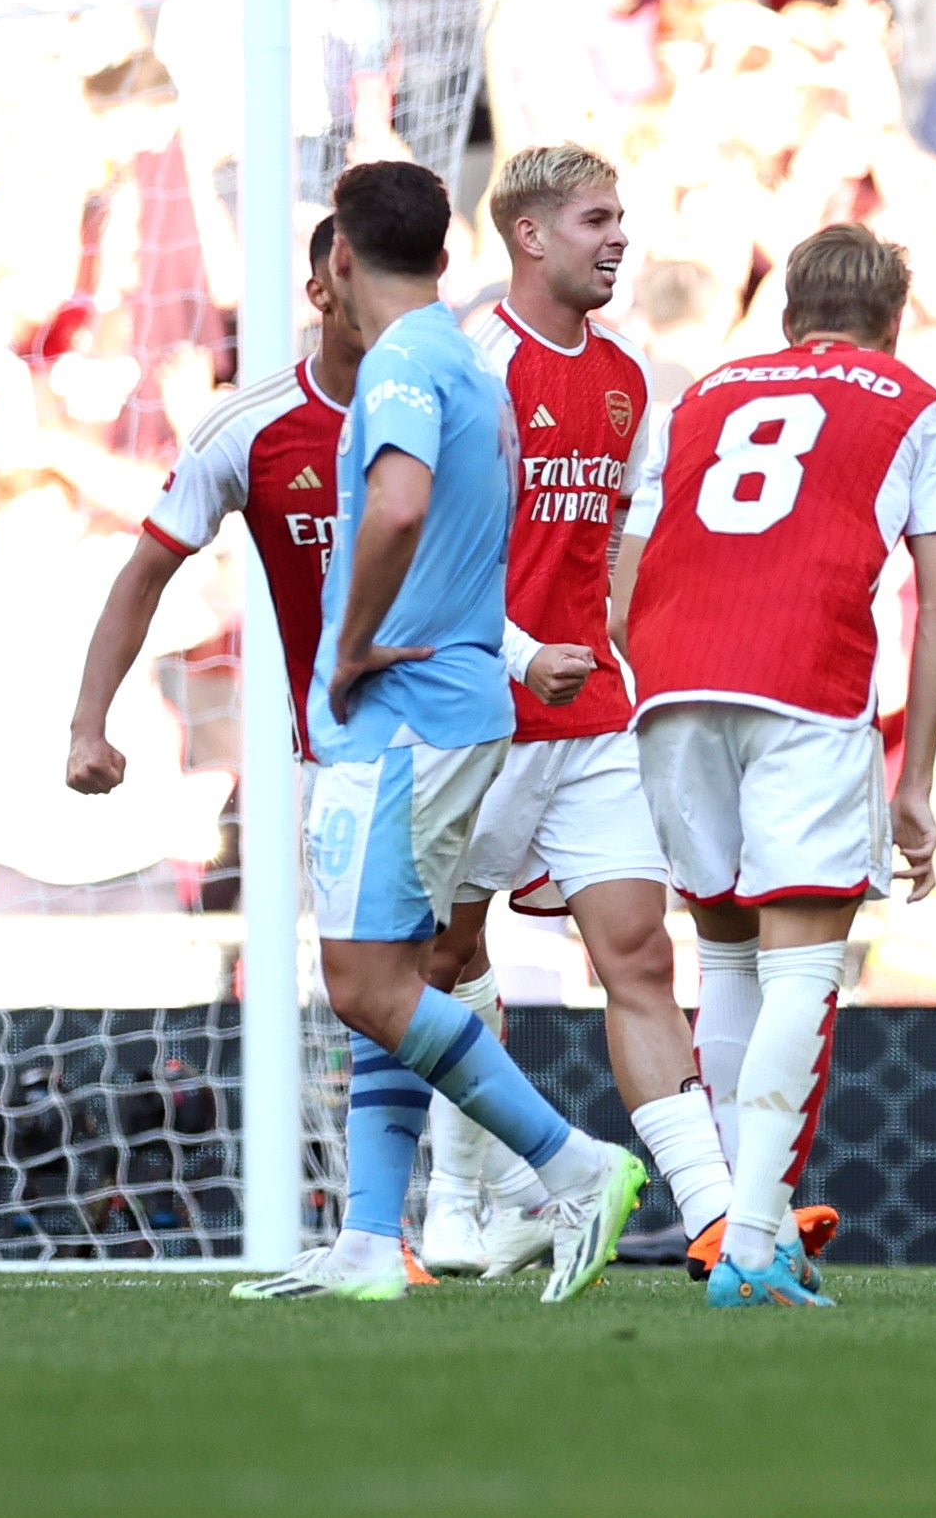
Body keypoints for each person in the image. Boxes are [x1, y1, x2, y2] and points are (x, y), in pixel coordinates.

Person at [239, 163, 647, 1304]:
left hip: (408, 718)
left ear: (335, 261)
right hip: (462, 707)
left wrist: (349, 641)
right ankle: (373, 1240)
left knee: (368, 985)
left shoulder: (411, 361)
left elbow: (403, 505)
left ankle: (573, 1165)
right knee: (395, 972)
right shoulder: (471, 365)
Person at [618, 223, 936, 1310]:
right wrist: (916, 778)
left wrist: (663, 673)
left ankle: (730, 1222)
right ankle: (756, 1244)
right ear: (894, 320)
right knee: (804, 968)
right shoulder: (920, 407)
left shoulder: (696, 398)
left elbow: (625, 573)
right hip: (804, 681)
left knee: (724, 958)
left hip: (673, 679)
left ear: (786, 316)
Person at [428, 145, 744, 1284]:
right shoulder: (471, 369)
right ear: (528, 234)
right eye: (596, 219)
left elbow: (630, 531)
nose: (619, 239)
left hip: (593, 717)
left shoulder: (628, 379)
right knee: (449, 957)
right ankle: (468, 1206)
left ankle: (718, 1223)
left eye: (621, 219)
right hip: (478, 715)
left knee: (638, 956)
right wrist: (520, 650)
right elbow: (429, 552)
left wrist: (606, 647)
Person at [68, 216, 353, 797]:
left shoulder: (457, 399)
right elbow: (150, 574)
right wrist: (87, 727)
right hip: (263, 686)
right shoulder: (239, 420)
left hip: (444, 726)